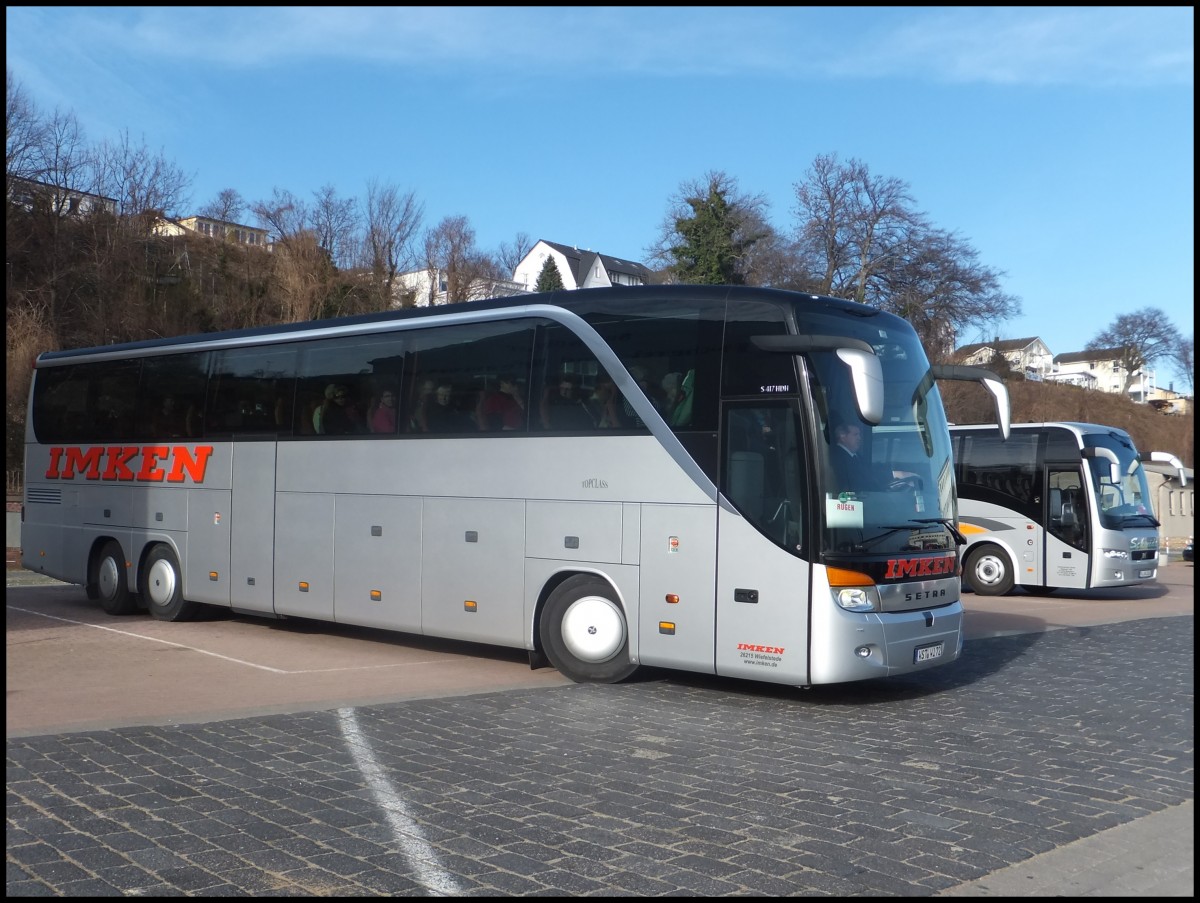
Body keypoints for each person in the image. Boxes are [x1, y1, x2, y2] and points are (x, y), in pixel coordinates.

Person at [829, 416, 887, 493]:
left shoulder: (856, 456)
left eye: (859, 434)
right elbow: (858, 481)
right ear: (842, 436)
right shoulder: (838, 457)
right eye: (855, 434)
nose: (859, 438)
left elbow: (869, 472)